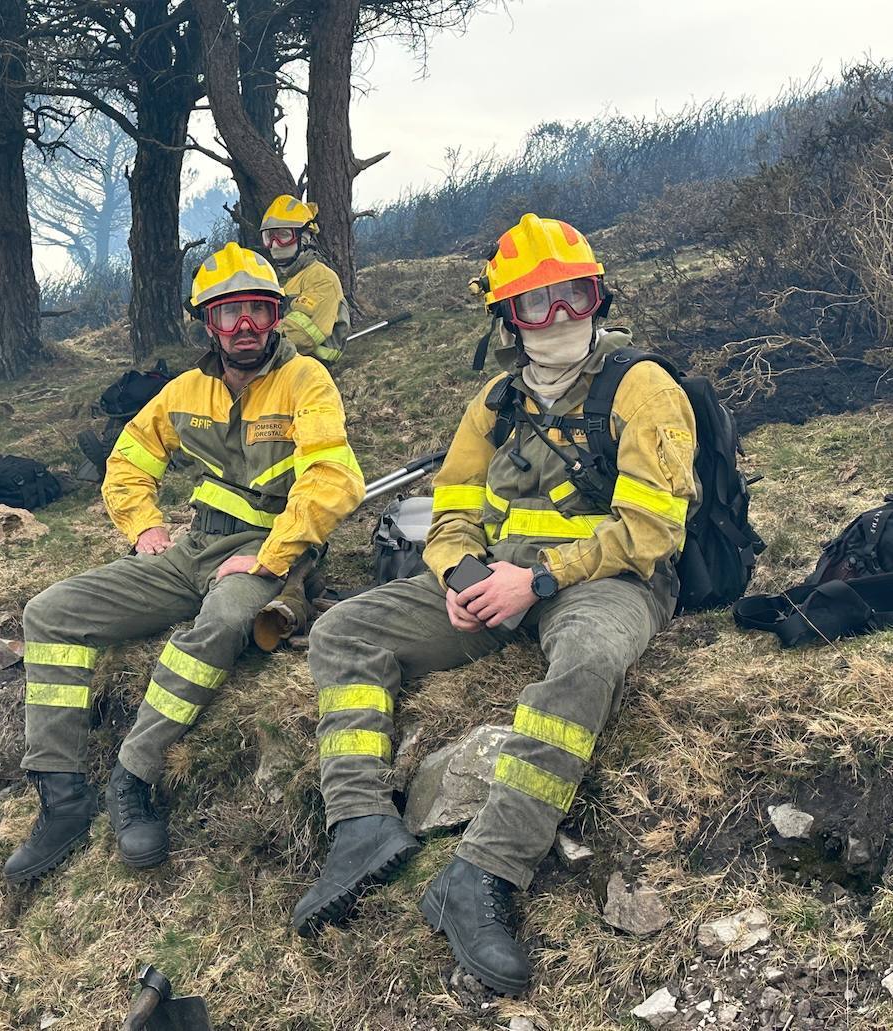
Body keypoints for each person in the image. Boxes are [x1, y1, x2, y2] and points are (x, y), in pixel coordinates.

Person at [291, 214, 698, 996]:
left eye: (573, 295)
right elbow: (449, 510)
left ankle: (483, 872)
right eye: (536, 304)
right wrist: (459, 574)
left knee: (587, 660)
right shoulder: (494, 399)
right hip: (501, 581)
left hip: (608, 583)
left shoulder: (644, 388)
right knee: (343, 628)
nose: (559, 319)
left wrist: (540, 581)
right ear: (508, 319)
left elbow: (651, 529)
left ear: (598, 294)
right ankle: (359, 824)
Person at [4, 243, 365, 882]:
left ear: (277, 315)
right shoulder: (183, 391)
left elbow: (333, 479)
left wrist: (268, 556)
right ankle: (61, 797)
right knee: (49, 614)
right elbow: (128, 461)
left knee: (225, 623)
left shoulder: (307, 379)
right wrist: (145, 529)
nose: (245, 326)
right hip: (191, 549)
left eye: (257, 310)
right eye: (229, 314)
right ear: (207, 323)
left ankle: (132, 774)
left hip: (269, 555)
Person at [260, 194, 351, 366]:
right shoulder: (278, 278)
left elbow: (303, 334)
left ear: (305, 238)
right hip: (280, 363)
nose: (275, 244)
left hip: (311, 367)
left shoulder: (322, 279)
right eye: (269, 237)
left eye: (283, 235)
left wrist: (256, 346)